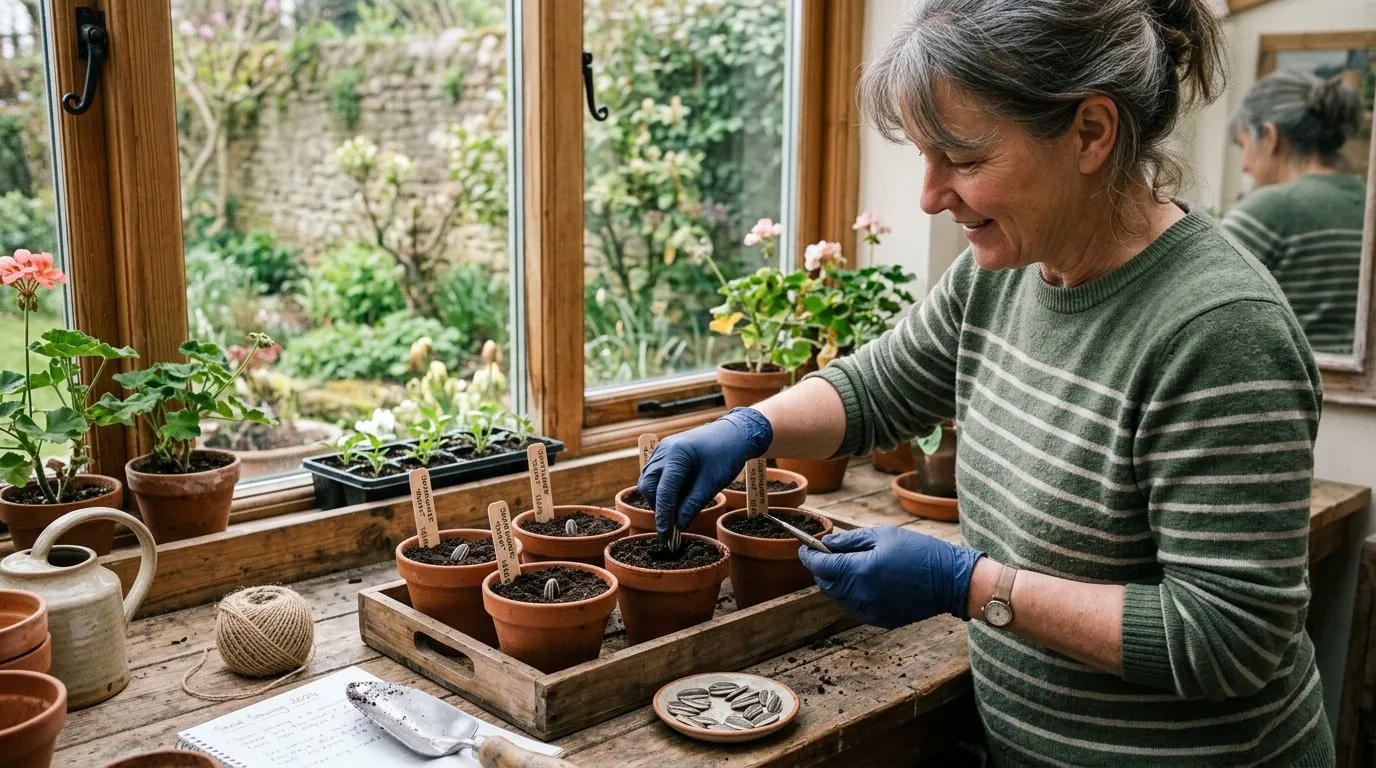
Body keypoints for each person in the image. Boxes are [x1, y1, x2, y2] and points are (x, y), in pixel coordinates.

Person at [638, 0, 1334, 765]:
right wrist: (749, 429)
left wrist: (968, 586)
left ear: (1091, 134)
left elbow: (1227, 640)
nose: (932, 196)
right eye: (926, 158)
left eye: (965, 161)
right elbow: (881, 385)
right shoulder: (1007, 272)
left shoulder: (1220, 329)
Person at [1222, 69, 1366, 355]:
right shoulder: (1368, 203)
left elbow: (1189, 305)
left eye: (1244, 146)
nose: (1245, 164)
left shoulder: (1268, 210)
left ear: (1270, 136)